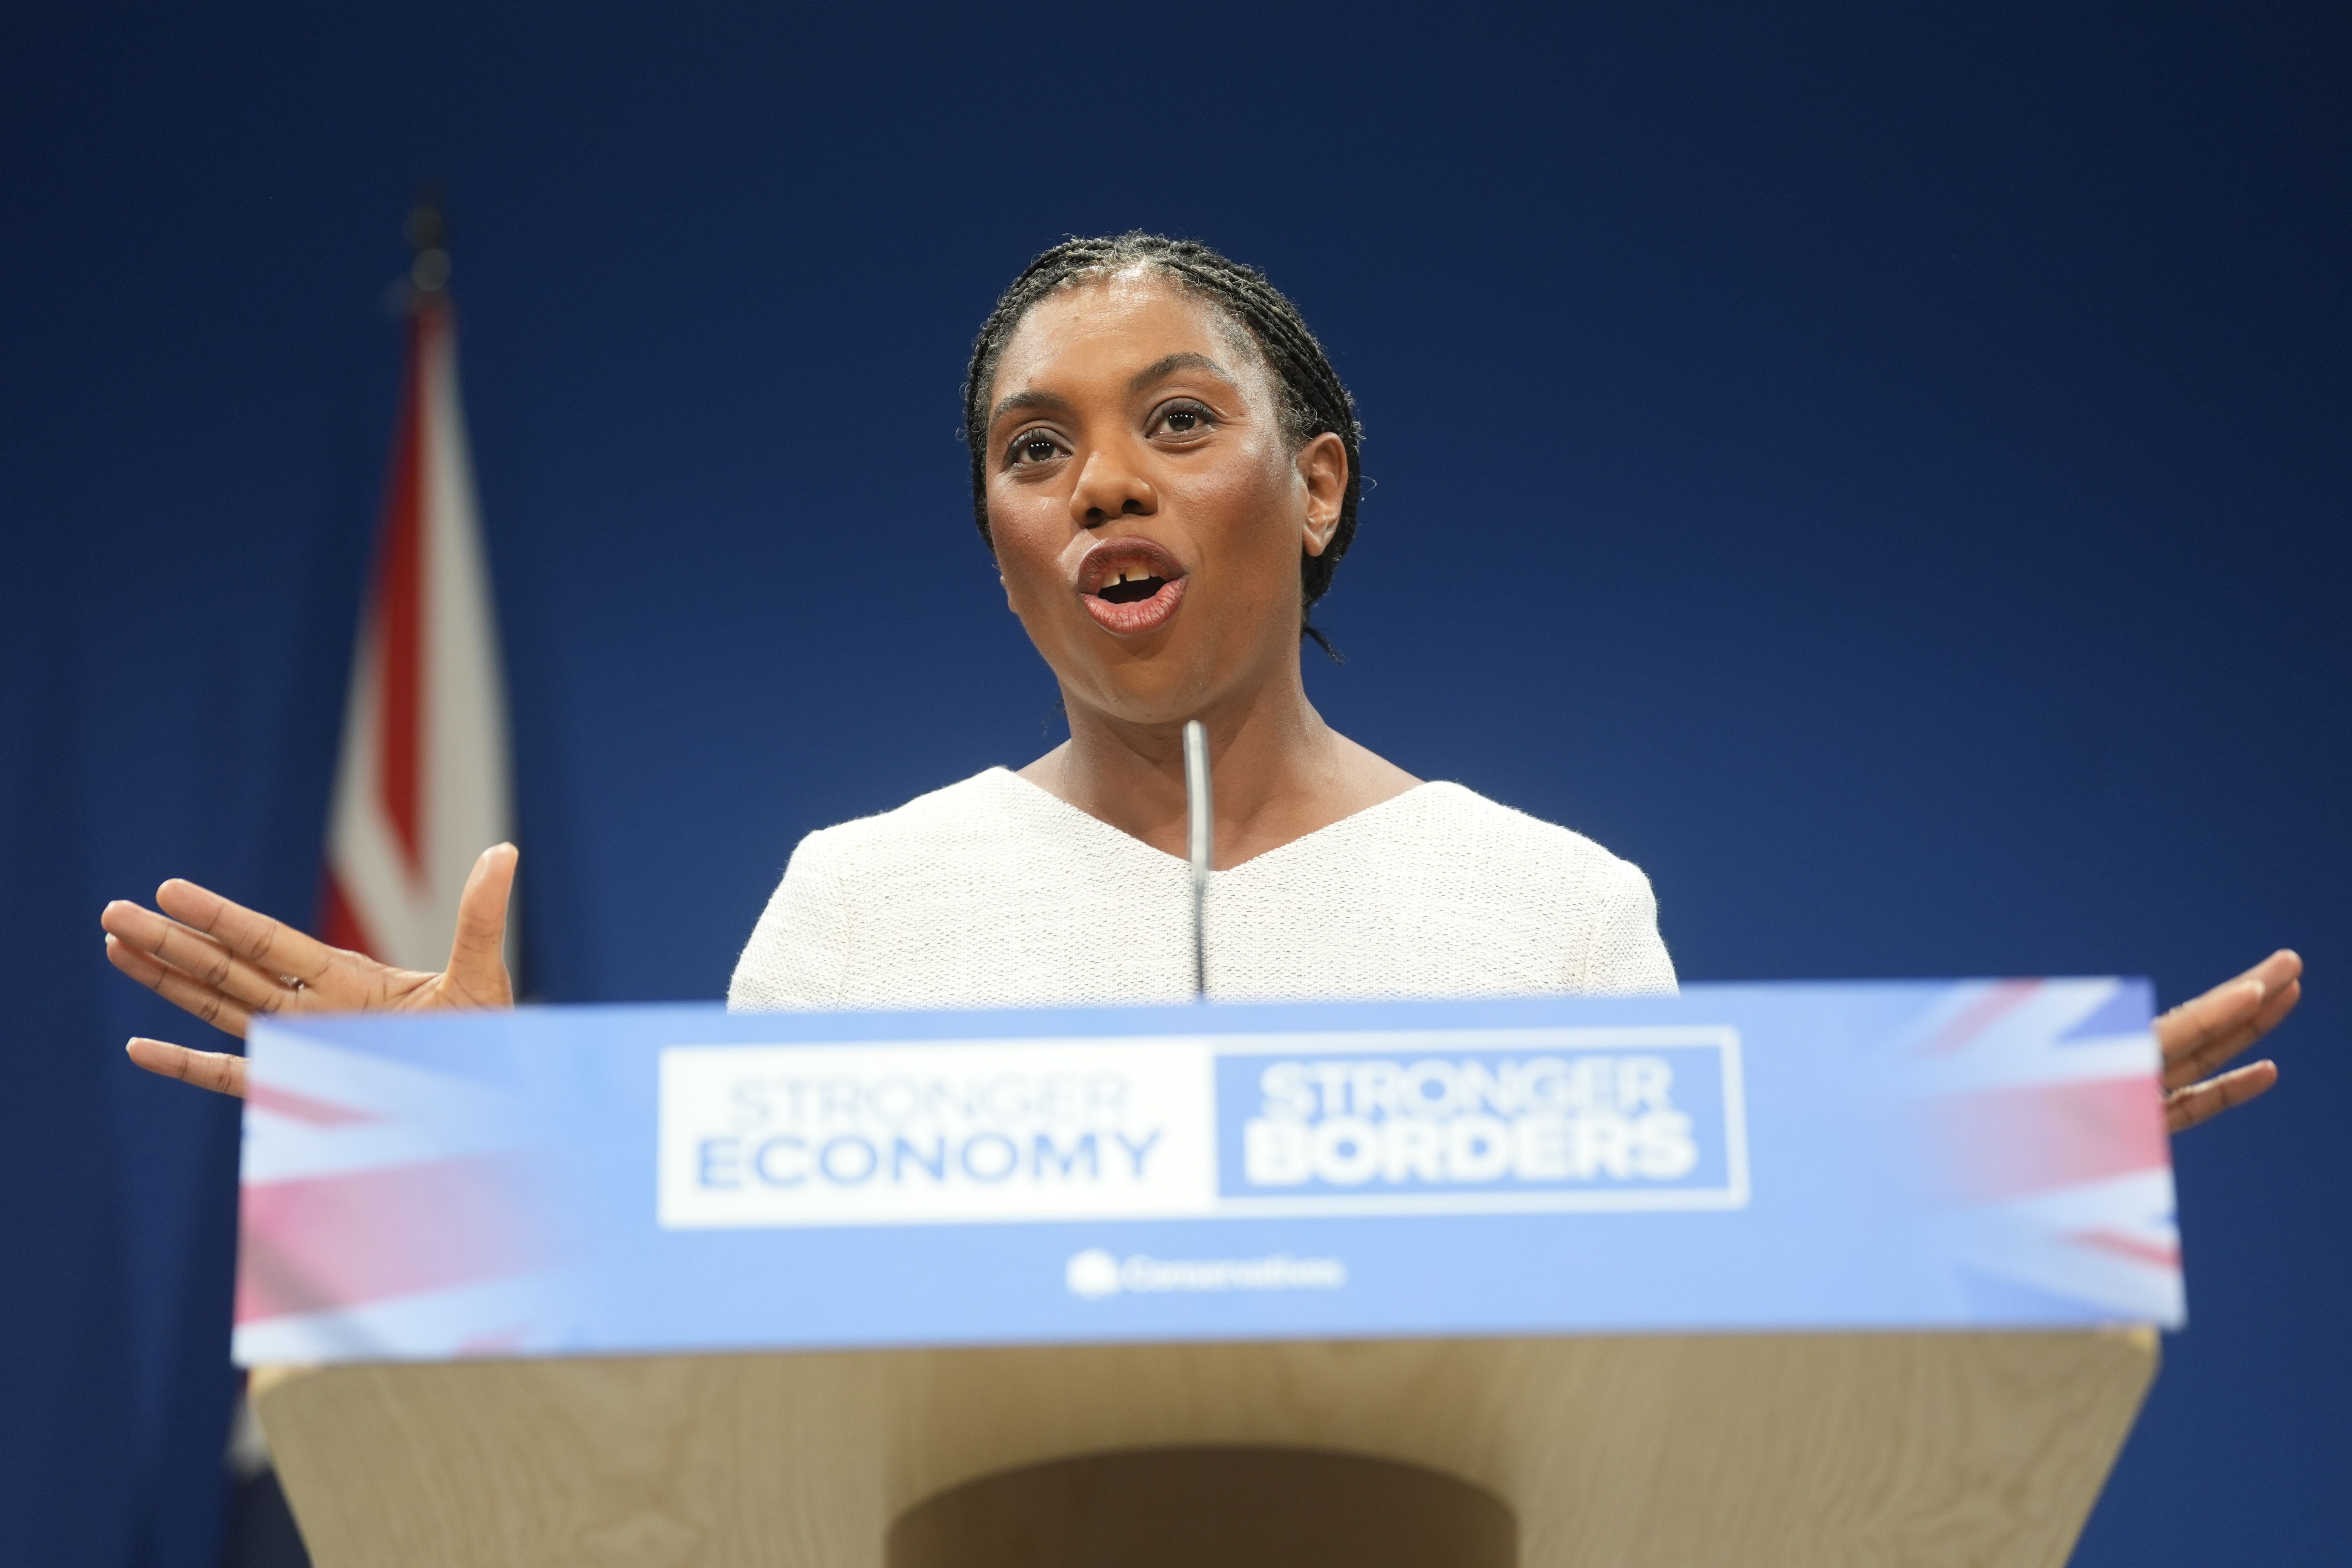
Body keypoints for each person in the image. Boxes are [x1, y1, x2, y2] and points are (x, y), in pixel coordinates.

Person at [98, 233, 2299, 1131]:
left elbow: (1681, 1363)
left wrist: (1978, 1197)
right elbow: (710, 1413)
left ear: (1316, 485)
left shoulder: (1559, 913)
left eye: (1178, 419)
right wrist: (490, 1157)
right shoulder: (855, 908)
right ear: (995, 530)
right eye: (1034, 449)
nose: (1101, 487)